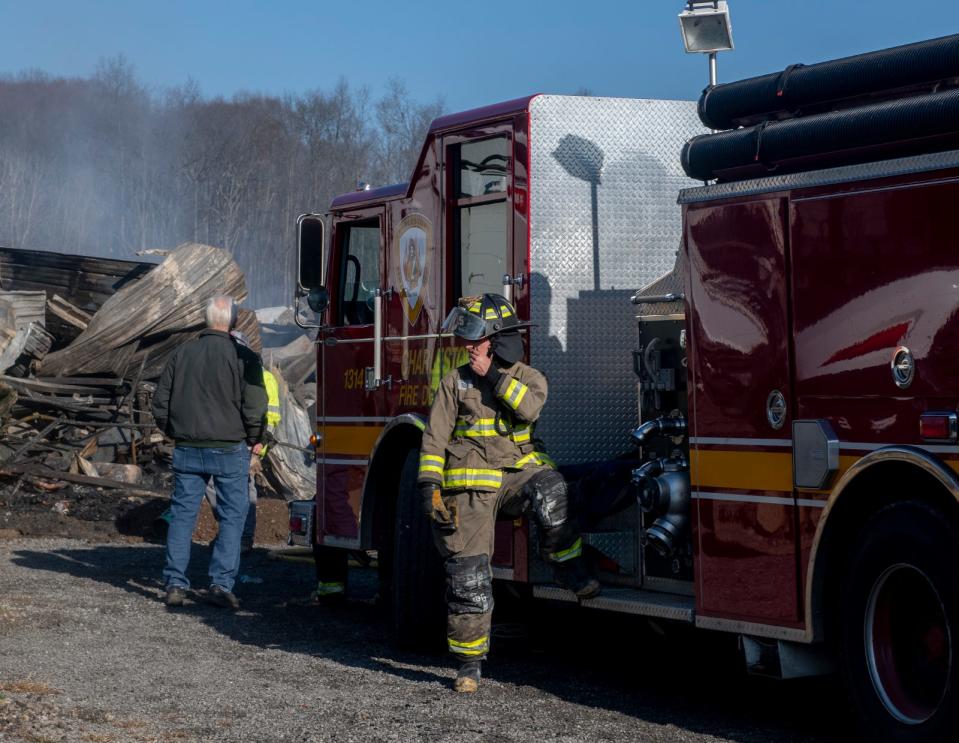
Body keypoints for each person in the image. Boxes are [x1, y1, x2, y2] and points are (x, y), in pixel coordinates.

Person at [418, 293, 600, 693]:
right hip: (470, 489)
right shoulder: (454, 383)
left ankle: (566, 566)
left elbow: (529, 410)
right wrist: (430, 487)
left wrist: (494, 378)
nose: (469, 346)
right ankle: (469, 665)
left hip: (516, 477)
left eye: (476, 338)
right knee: (468, 577)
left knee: (553, 491)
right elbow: (433, 439)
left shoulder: (528, 378)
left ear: (496, 340)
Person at [152, 295, 267, 610]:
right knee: (233, 517)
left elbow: (160, 401)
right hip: (230, 448)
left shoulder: (181, 354)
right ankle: (220, 584)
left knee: (182, 516)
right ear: (232, 321)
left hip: (188, 447)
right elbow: (256, 405)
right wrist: (256, 436)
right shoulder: (244, 356)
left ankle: (175, 583)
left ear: (205, 320)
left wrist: (173, 430)